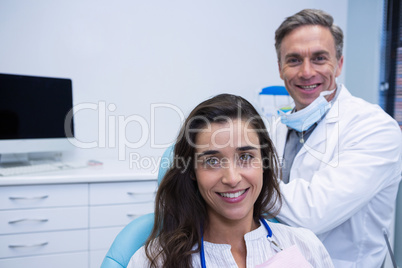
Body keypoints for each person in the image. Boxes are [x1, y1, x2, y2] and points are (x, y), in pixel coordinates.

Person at [127, 94, 333, 267]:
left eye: (245, 157)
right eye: (212, 161)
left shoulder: (305, 247)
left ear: (264, 163)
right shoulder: (153, 261)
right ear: (192, 171)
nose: (232, 179)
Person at [270, 9, 402, 267]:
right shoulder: (277, 127)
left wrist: (244, 185)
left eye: (319, 58)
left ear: (339, 64)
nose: (306, 72)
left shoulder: (376, 128)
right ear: (280, 68)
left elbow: (312, 214)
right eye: (294, 60)